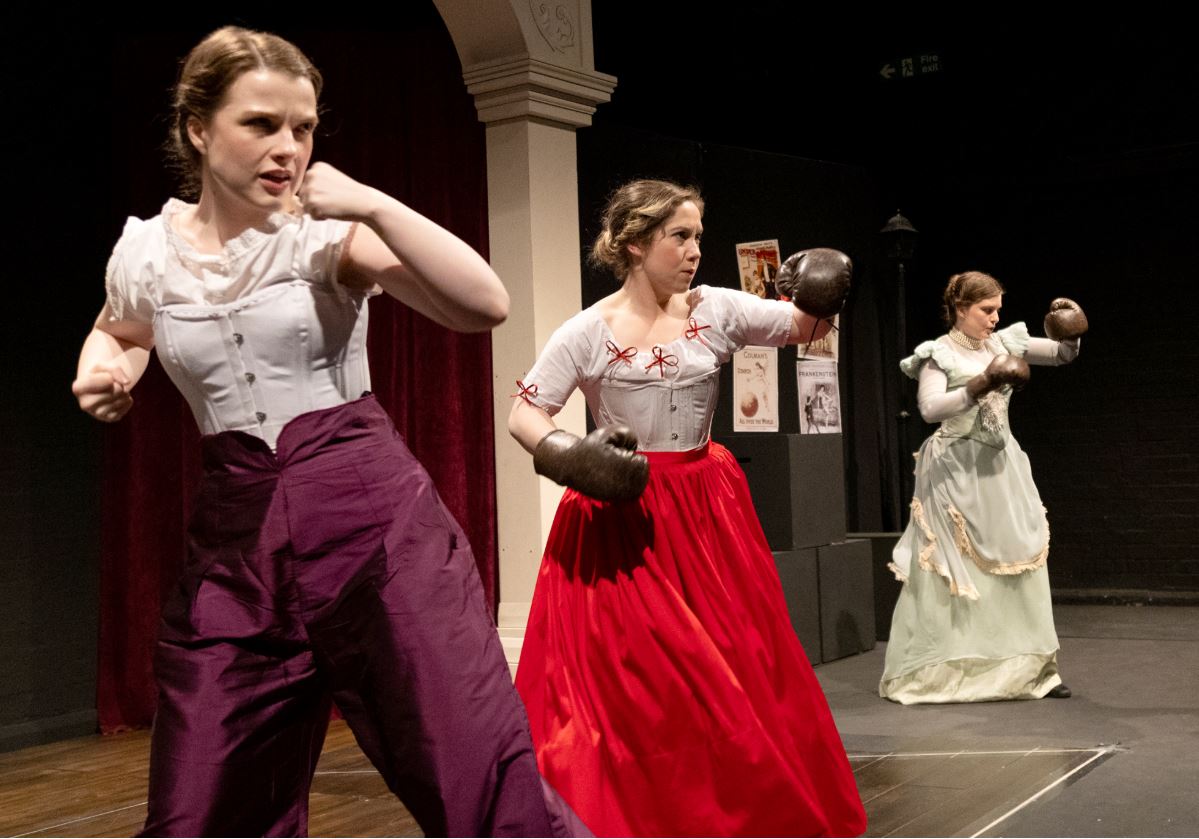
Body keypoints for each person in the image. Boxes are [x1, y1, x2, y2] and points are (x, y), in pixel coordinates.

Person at [72, 26, 583, 837]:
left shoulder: (324, 236)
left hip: (374, 529)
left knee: (473, 774)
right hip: (237, 546)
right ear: (198, 128)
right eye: (260, 124)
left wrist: (373, 203)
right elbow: (120, 328)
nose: (288, 148)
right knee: (200, 809)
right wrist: (105, 371)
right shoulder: (147, 253)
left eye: (303, 128)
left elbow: (484, 303)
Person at [507, 179, 866, 836]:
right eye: (680, 236)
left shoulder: (718, 308)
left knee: (731, 660)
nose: (695, 250)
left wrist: (820, 296)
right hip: (622, 508)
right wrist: (567, 454)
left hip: (705, 509)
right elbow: (525, 411)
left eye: (698, 235)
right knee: (634, 675)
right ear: (634, 243)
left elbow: (803, 328)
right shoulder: (586, 330)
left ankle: (728, 811)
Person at [880, 271, 1087, 704]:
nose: (995, 318)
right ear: (961, 309)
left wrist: (1071, 333)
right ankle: (953, 669)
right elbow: (930, 409)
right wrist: (981, 384)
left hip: (1001, 466)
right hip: (956, 470)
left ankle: (1031, 669)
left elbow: (1062, 355)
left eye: (998, 310)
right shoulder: (939, 354)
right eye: (986, 310)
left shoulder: (1004, 343)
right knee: (956, 569)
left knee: (1019, 560)